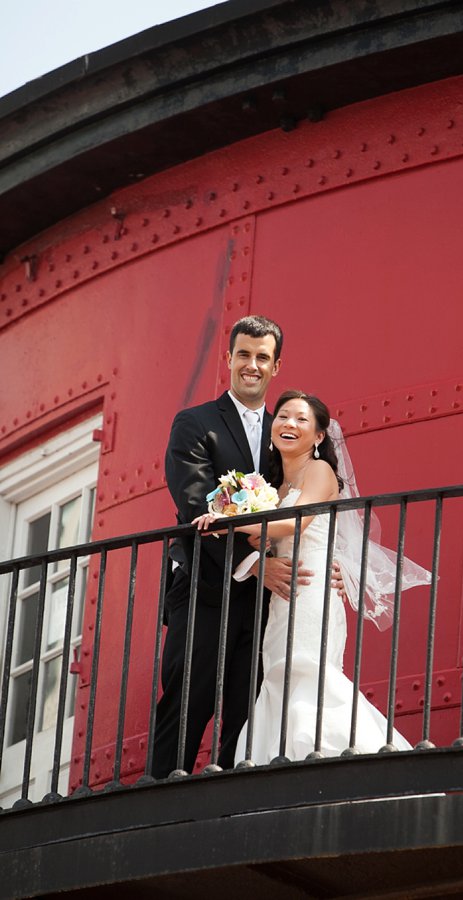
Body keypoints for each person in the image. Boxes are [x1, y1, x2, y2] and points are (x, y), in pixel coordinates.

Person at [194, 390, 432, 765]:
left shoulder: (319, 471)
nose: (289, 424)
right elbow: (262, 536)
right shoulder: (275, 489)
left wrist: (229, 522)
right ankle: (284, 762)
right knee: (279, 675)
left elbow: (293, 523)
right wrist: (223, 526)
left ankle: (358, 760)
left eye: (301, 419)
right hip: (283, 595)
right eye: (283, 416)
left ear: (320, 436)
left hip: (312, 588)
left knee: (308, 671)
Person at [152, 316, 316, 778]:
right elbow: (194, 502)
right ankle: (160, 799)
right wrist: (252, 563)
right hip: (205, 585)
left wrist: (325, 566)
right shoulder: (195, 423)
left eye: (262, 357)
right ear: (228, 358)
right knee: (188, 698)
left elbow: (301, 501)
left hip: (266, 599)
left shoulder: (284, 431)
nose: (252, 365)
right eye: (244, 354)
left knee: (248, 705)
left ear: (276, 366)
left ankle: (226, 799)